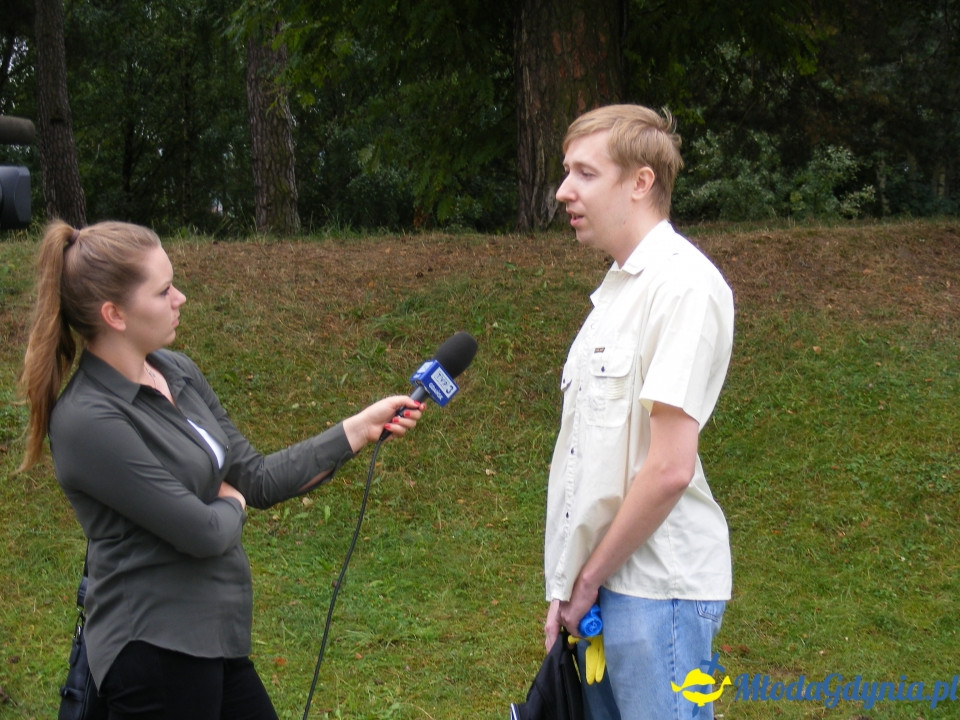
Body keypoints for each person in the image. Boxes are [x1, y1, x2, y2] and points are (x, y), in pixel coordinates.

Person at [18, 220, 424, 720]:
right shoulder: (88, 419)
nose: (180, 298)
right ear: (114, 314)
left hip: (215, 638)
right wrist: (231, 503)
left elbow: (256, 478)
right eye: (163, 290)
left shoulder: (176, 370)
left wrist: (358, 429)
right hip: (154, 651)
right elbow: (203, 532)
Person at [542, 104, 735, 720]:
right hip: (604, 592)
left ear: (640, 182)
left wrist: (587, 579)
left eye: (585, 173)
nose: (563, 191)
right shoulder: (617, 295)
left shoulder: (684, 286)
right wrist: (570, 585)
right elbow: (592, 465)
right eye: (567, 172)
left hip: (657, 594)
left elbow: (670, 468)